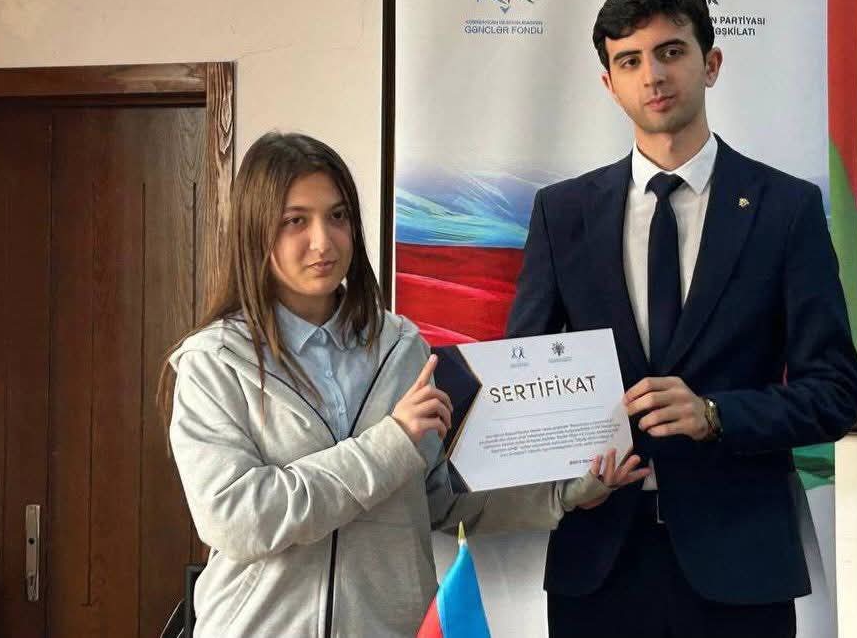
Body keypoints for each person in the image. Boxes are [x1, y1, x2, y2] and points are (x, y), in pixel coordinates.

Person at [156, 131, 648, 638]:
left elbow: (435, 499)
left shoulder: (401, 347)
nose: (323, 241)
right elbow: (236, 519)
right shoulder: (215, 362)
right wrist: (391, 442)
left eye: (338, 216)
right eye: (295, 221)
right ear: (255, 231)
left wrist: (566, 491)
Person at [506, 0, 857, 638]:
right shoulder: (562, 213)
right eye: (630, 61)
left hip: (742, 564)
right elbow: (525, 379)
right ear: (609, 83)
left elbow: (836, 393)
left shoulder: (786, 209)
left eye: (671, 52)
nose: (653, 75)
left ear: (711, 63)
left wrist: (715, 414)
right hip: (598, 562)